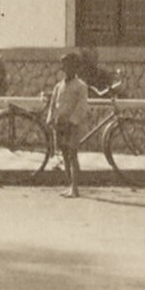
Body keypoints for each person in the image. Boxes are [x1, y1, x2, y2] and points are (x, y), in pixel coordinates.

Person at [47, 52, 93, 199]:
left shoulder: (81, 86)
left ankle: (75, 187)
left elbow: (81, 106)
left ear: (75, 67)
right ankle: (69, 185)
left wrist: (72, 121)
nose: (65, 69)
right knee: (65, 155)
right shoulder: (58, 86)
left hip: (73, 125)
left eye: (69, 66)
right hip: (60, 124)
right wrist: (51, 119)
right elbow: (53, 104)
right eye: (64, 66)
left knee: (73, 155)